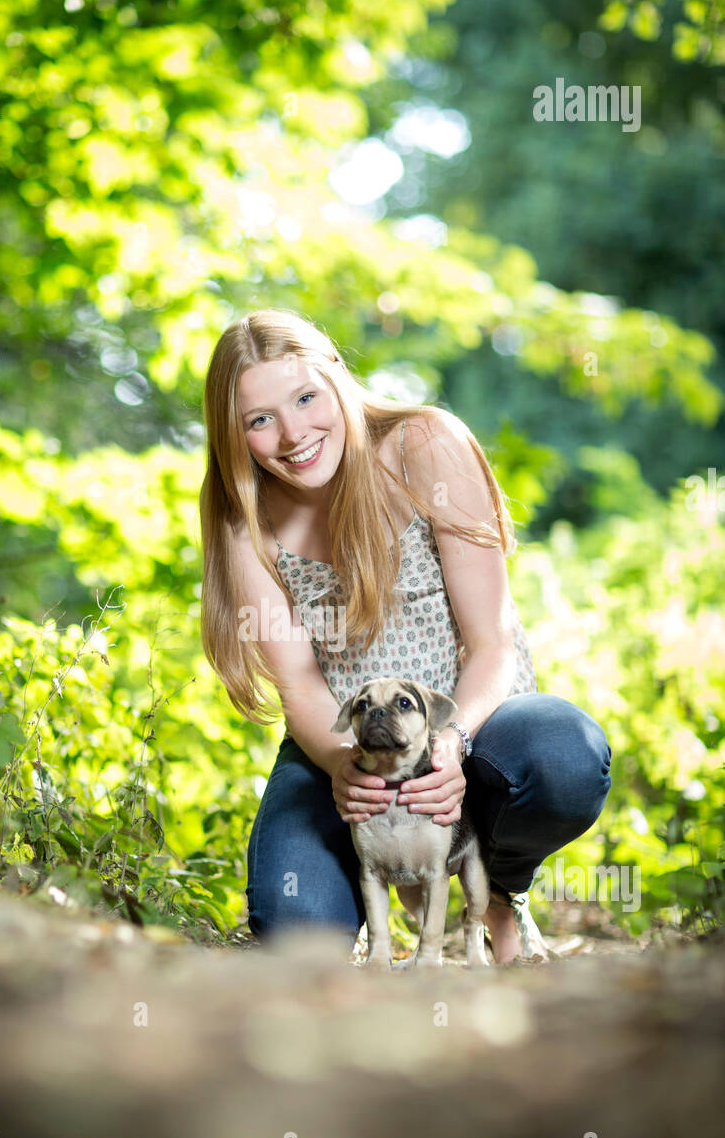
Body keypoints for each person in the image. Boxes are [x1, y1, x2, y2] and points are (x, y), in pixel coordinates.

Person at [199, 308, 611, 963]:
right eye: (260, 420)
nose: (293, 433)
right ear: (234, 433)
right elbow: (301, 684)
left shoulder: (424, 447)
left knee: (563, 756)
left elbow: (492, 642)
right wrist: (343, 765)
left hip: (476, 725)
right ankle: (387, 890)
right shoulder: (246, 521)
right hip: (345, 745)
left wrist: (451, 742)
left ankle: (498, 888)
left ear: (337, 376)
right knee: (292, 923)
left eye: (305, 398)